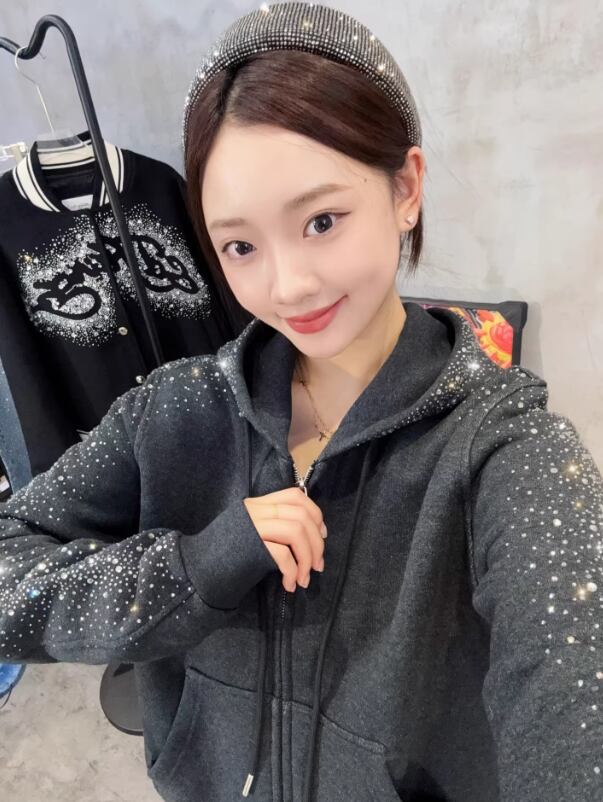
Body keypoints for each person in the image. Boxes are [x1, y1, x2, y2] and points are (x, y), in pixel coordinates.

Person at [1, 3, 601, 801]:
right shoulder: (175, 412)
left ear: (405, 188)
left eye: (321, 221)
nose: (287, 287)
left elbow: (569, 705)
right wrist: (196, 567)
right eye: (240, 245)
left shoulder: (504, 454)